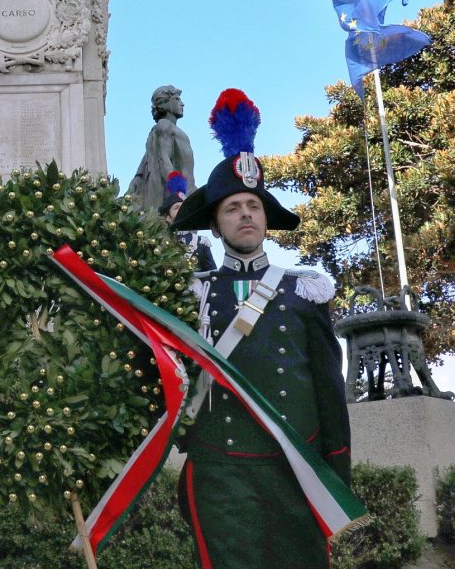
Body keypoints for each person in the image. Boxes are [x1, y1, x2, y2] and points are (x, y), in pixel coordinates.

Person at [170, 89, 352, 569]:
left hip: (297, 466)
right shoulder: (190, 292)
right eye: (232, 208)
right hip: (219, 471)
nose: (245, 214)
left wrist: (336, 470)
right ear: (214, 223)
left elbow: (329, 390)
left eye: (253, 205)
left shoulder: (304, 290)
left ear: (267, 216)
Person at [125, 85, 196, 213]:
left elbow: (146, 162)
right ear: (164, 104)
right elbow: (164, 160)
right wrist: (179, 193)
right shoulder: (164, 126)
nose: (182, 104)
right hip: (174, 197)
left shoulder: (161, 130)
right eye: (177, 99)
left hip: (185, 192)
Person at [158, 170, 216, 273]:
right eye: (176, 208)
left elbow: (212, 275)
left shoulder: (201, 242)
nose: (181, 210)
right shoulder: (160, 242)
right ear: (167, 217)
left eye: (183, 207)